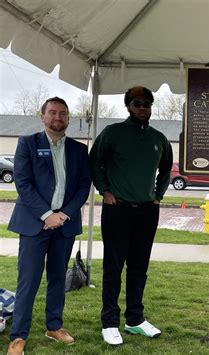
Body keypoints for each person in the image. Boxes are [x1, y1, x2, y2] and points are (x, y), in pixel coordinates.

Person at [7, 97, 91, 355]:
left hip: (64, 225)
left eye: (63, 113)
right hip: (35, 225)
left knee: (57, 278)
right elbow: (23, 183)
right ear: (42, 116)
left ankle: (54, 326)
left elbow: (82, 187)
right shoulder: (28, 144)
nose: (58, 117)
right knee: (28, 280)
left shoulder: (79, 150)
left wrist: (63, 215)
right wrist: (46, 215)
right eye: (52, 112)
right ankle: (18, 336)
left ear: (68, 118)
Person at [89, 86, 173, 345]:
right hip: (118, 210)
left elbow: (167, 169)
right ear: (128, 106)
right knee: (113, 267)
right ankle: (110, 322)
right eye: (137, 103)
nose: (143, 108)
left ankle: (135, 319)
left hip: (147, 211)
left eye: (147, 104)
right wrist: (104, 190)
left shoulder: (158, 138)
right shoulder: (113, 133)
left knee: (139, 268)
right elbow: (94, 163)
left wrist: (158, 195)